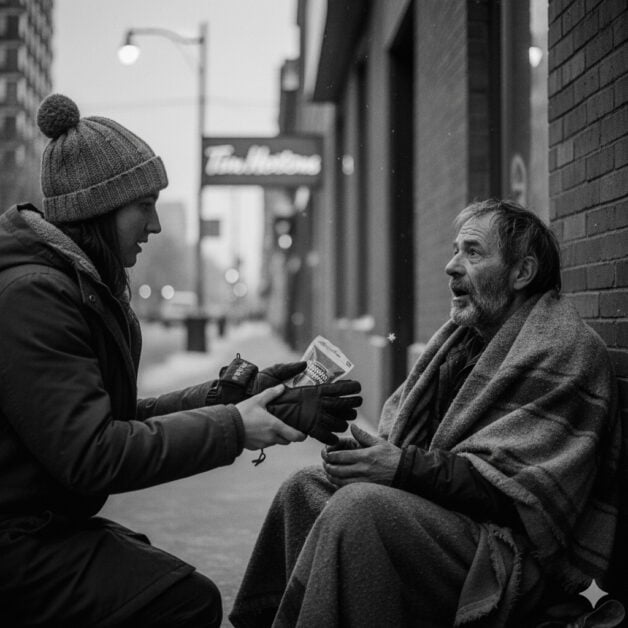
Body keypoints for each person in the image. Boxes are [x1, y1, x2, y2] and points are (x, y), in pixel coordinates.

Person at [0, 93, 362, 627]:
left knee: (166, 582)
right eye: (143, 205)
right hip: (17, 541)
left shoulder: (70, 285)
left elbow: (111, 421)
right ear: (98, 210)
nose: (155, 225)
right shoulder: (35, 296)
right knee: (181, 601)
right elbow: (94, 453)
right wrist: (234, 428)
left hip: (38, 525)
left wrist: (230, 396)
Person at [229, 199, 623, 628]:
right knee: (304, 488)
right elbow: (424, 452)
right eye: (455, 250)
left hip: (508, 553)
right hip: (448, 520)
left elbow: (519, 496)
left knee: (361, 509)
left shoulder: (565, 351)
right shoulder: (461, 343)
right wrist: (362, 456)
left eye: (472, 252)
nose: (452, 266)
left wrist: (399, 468)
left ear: (521, 273)